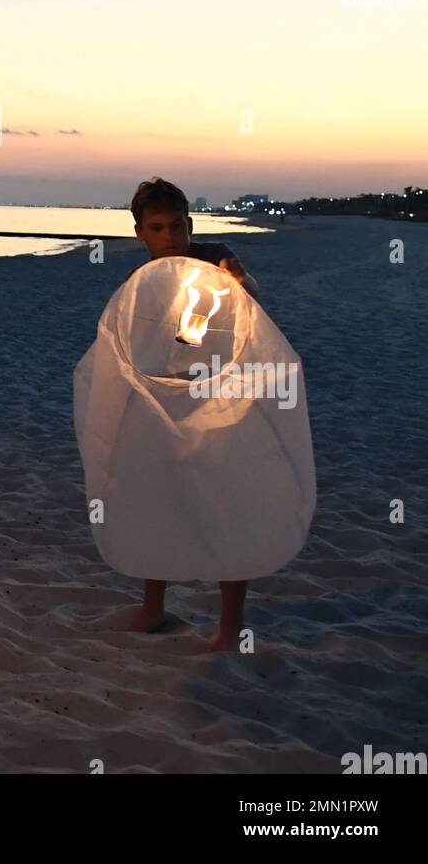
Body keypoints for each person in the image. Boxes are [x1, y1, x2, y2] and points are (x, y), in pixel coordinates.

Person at [128, 176, 258, 650]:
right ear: (140, 232)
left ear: (190, 224)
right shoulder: (142, 282)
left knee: (223, 509)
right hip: (162, 407)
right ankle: (152, 608)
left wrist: (239, 284)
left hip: (218, 402)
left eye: (177, 227)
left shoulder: (214, 260)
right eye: (157, 228)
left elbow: (251, 296)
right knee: (158, 506)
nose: (169, 237)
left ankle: (229, 627)